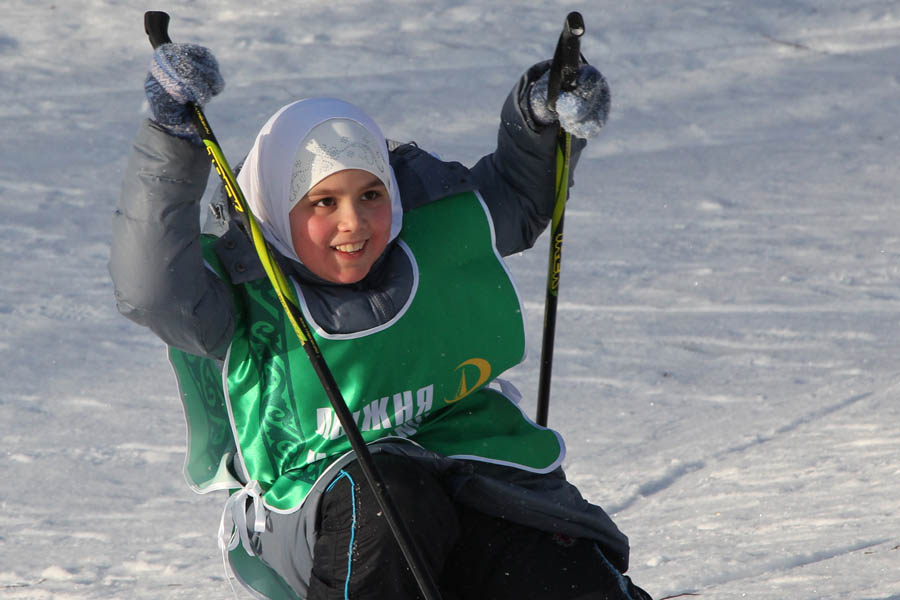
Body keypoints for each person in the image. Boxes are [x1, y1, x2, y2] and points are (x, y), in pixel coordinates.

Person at [110, 38, 652, 600]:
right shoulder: (243, 288)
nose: (355, 223)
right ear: (275, 206)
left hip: (465, 476)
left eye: (371, 194)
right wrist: (172, 139)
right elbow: (152, 289)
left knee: (549, 559)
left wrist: (542, 113)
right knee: (387, 491)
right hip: (315, 515)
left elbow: (517, 196)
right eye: (322, 203)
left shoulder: (428, 238)